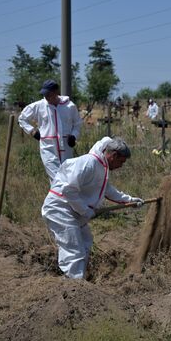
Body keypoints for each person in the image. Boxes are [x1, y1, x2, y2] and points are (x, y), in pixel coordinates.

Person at [42, 136, 144, 279]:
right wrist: (86, 210)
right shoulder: (89, 163)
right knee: (74, 251)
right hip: (60, 208)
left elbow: (106, 189)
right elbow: (68, 190)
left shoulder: (101, 167)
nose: (121, 166)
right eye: (121, 161)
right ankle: (73, 289)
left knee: (85, 243)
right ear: (114, 155)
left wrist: (129, 200)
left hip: (74, 210)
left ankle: (77, 281)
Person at [18, 80, 83, 181]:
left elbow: (77, 124)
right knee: (57, 179)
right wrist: (32, 131)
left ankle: (60, 196)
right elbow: (22, 118)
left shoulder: (70, 106)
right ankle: (61, 196)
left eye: (49, 94)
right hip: (48, 148)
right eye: (45, 94)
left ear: (56, 92)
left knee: (68, 178)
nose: (47, 97)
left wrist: (74, 136)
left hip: (66, 148)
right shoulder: (39, 106)